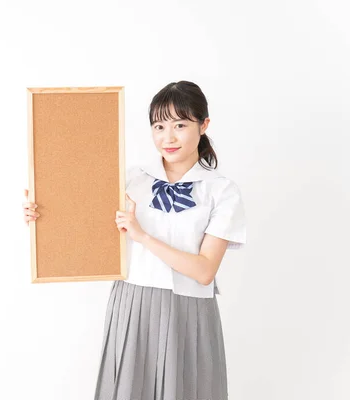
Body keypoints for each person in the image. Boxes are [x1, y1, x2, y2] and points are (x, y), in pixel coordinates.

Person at [22, 80, 246, 400]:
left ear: (204, 124)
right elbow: (83, 226)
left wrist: (142, 236)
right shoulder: (131, 178)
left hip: (189, 309)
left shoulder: (221, 191)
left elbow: (204, 271)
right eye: (159, 126)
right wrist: (42, 215)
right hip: (133, 302)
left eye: (180, 125)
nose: (168, 137)